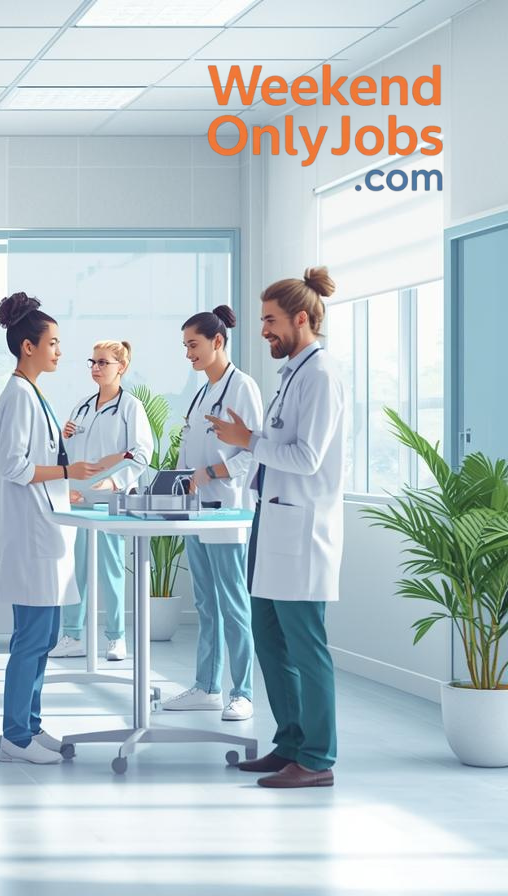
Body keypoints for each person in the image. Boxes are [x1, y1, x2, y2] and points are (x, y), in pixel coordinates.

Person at [209, 266, 348, 789]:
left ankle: (317, 758)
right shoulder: (293, 372)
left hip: (302, 528)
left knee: (304, 646)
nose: (263, 330)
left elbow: (307, 457)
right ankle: (288, 743)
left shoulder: (321, 375)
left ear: (301, 318)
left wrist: (246, 440)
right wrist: (248, 441)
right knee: (269, 639)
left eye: (270, 320)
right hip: (271, 522)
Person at [0, 292, 101, 765]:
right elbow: (15, 465)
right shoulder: (18, 395)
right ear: (27, 347)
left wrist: (63, 488)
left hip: (46, 527)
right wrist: (67, 476)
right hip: (32, 534)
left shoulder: (33, 393)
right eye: (52, 342)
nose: (59, 351)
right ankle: (15, 737)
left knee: (45, 637)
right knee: (31, 639)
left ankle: (30, 727)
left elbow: (39, 462)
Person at [162, 306, 264, 721]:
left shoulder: (243, 388)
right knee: (206, 602)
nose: (188, 354)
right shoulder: (203, 391)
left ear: (217, 341)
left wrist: (210, 473)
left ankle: (242, 693)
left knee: (233, 603)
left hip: (228, 509)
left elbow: (252, 454)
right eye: (185, 346)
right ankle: (206, 686)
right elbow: (193, 450)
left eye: (193, 345)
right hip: (196, 509)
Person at [51, 340, 152, 663]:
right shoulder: (82, 405)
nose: (95, 368)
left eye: (103, 363)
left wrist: (115, 481)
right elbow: (67, 453)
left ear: (121, 367)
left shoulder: (130, 407)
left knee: (110, 571)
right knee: (75, 570)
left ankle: (115, 638)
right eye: (92, 362)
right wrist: (64, 437)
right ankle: (72, 635)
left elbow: (140, 454)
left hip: (110, 502)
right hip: (79, 499)